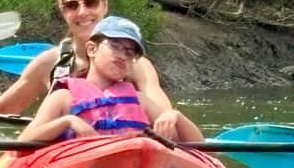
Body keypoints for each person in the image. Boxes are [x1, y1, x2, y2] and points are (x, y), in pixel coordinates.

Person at [0, 0, 171, 123]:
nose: (82, 12)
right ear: (63, 12)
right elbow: (5, 106)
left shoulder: (135, 64)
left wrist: (169, 119)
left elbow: (164, 116)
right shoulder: (49, 63)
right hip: (70, 159)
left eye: (91, 3)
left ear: (104, 5)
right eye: (72, 5)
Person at [17, 16, 204, 143]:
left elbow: (200, 146)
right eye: (115, 46)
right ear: (92, 49)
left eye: (130, 52)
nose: (123, 56)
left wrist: (175, 117)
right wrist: (67, 122)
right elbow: (26, 139)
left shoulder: (140, 101)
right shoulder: (62, 98)